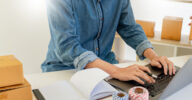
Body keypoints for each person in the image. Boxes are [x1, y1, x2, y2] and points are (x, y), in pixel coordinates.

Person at [42, 0, 176, 85]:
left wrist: (153, 56)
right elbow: (67, 45)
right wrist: (116, 71)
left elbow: (129, 28)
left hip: (106, 66)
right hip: (65, 69)